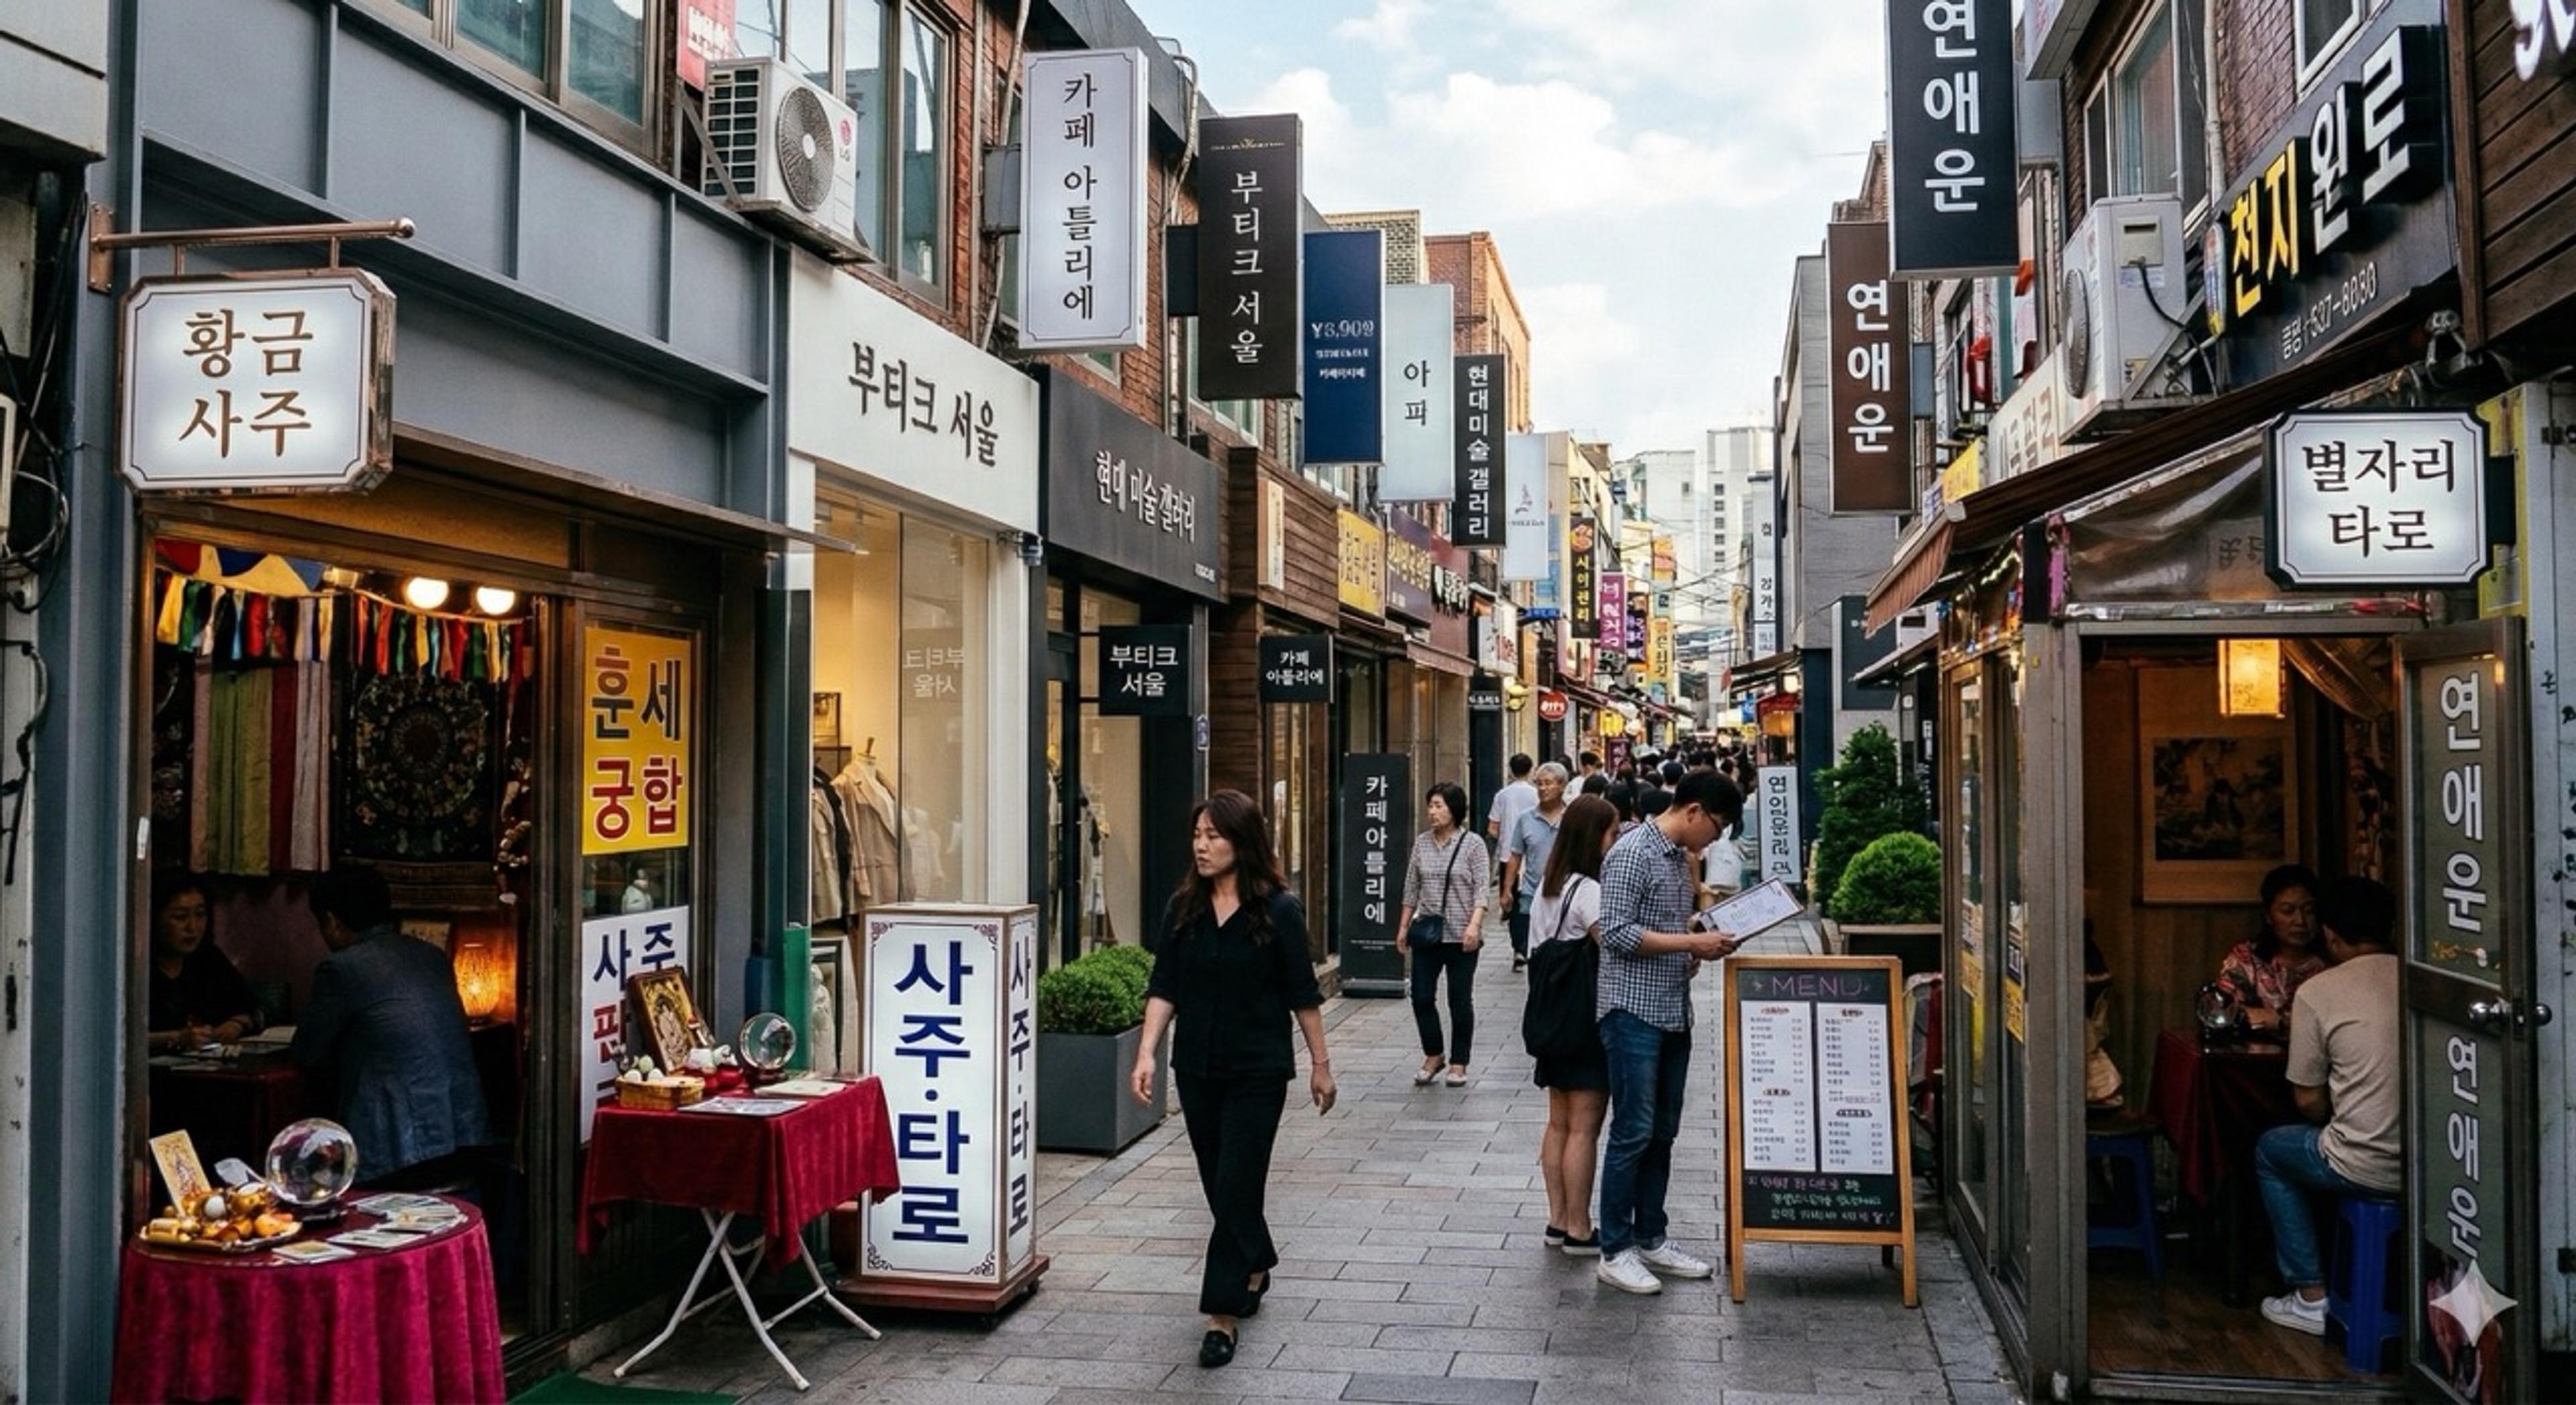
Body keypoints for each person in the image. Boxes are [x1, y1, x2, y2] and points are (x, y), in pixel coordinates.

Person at [1132, 791, 1334, 1370]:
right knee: (1220, 1184)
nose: (1201, 844)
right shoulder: (1184, 908)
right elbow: (1164, 984)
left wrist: (1321, 1066)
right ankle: (1258, 1256)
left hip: (1258, 1071)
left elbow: (1303, 994)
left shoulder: (1279, 911)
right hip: (1196, 1068)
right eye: (1197, 834)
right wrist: (1146, 1053)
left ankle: (1222, 1315)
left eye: (1214, 835)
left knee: (1237, 1181)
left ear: (1242, 842)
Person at [1594, 768, 1744, 1295]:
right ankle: (1615, 1248)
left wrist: (1698, 943)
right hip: (1632, 1011)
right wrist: (1689, 946)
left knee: (1662, 1131)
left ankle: (1651, 1237)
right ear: (1695, 811)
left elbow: (1665, 930)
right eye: (1718, 826)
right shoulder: (1633, 852)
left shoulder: (1680, 860)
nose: (1717, 838)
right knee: (1632, 1131)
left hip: (1671, 1009)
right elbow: (1614, 933)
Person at [2255, 876, 2400, 1337]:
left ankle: (2311, 1295)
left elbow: (2309, 1103)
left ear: (2331, 936)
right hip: (2436, 1169)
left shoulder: (2318, 992)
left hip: (2364, 1165)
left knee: (2270, 1150)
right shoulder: (2424, 979)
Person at [290, 865, 491, 1186]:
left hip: (395, 1147)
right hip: (463, 1130)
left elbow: (307, 1052)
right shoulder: (432, 956)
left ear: (331, 921)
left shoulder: (340, 969)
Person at [1529, 796, 1621, 1257]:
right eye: (1611, 834)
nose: (1614, 842)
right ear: (1594, 837)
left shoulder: (1550, 886)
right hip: (1583, 1019)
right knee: (1585, 1127)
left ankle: (1557, 1219)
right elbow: (1616, 945)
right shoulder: (1589, 891)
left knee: (1559, 1122)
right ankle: (1580, 1228)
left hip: (1550, 1017)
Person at [1397, 782, 1491, 1088]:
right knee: (1422, 996)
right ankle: (1434, 1054)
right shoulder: (1422, 843)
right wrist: (1402, 928)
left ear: (1454, 809)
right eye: (1430, 806)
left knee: (1459, 1000)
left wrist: (1475, 926)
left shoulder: (1473, 844)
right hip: (1428, 933)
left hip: (1462, 935)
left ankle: (1459, 1062)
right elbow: (1411, 887)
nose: (1432, 812)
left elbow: (1481, 890)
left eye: (1438, 806)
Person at [146, 877, 263, 1053]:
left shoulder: (207, 957)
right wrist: (176, 1038)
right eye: (180, 917)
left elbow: (251, 1008)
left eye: (200, 915)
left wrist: (236, 1024)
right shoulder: (137, 968)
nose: (193, 927)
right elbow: (122, 1035)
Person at [2217, 864, 2326, 1033]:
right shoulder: (2247, 959)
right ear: (2269, 916)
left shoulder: (2331, 960)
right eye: (2288, 911)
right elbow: (2222, 1010)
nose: (2300, 921)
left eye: (2309, 911)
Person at [1501, 763, 1570, 953]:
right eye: (1539, 784)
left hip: (1564, 892)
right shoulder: (1526, 819)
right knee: (1532, 948)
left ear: (1562, 786)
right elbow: (1515, 855)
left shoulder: (1572, 817)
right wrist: (1507, 889)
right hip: (1532, 893)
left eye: (1548, 783)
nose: (1543, 789)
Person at [1488, 756, 1540, 970]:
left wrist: (1503, 839)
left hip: (1507, 857)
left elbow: (1492, 828)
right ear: (1531, 770)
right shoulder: (1537, 794)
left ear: (1510, 770)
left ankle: (1518, 948)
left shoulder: (1502, 795)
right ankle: (1529, 945)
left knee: (1511, 903)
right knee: (1532, 903)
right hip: (1533, 857)